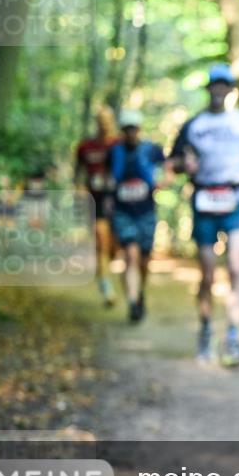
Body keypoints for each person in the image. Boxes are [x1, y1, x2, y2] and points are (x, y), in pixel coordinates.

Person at [170, 64, 239, 365]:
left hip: (237, 200)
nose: (219, 91)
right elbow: (174, 163)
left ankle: (233, 336)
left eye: (225, 86)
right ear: (209, 89)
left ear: (231, 90)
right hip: (205, 201)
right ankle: (206, 330)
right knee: (208, 274)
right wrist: (186, 167)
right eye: (215, 85)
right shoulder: (193, 125)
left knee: (236, 267)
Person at [109, 110, 167, 323]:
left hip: (146, 212)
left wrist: (163, 182)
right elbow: (106, 177)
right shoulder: (114, 152)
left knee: (144, 260)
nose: (130, 133)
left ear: (138, 130)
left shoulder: (151, 150)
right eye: (126, 129)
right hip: (123, 211)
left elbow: (167, 168)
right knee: (130, 255)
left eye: (133, 129)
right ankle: (133, 302)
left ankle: (139, 292)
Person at [75, 106, 119, 307]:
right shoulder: (85, 147)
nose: (104, 123)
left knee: (113, 247)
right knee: (100, 240)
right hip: (96, 200)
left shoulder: (119, 144)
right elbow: (78, 175)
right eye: (100, 119)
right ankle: (106, 287)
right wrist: (80, 190)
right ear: (96, 122)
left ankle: (104, 270)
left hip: (118, 200)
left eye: (107, 119)